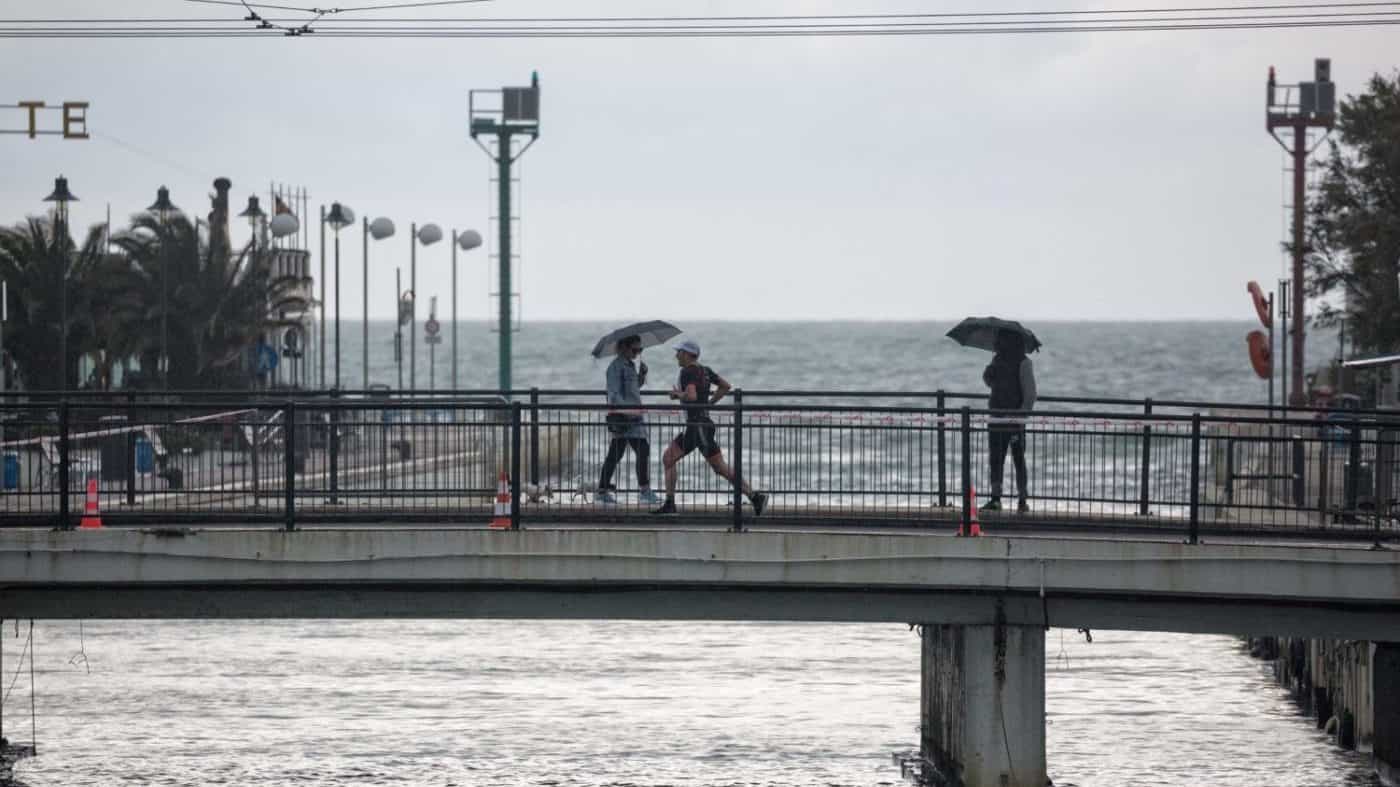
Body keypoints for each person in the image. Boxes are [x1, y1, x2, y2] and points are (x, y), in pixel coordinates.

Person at [652, 339, 768, 516]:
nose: (676, 356)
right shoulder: (705, 371)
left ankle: (670, 504)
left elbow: (691, 396)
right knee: (717, 467)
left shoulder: (687, 372)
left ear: (688, 354)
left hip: (696, 426)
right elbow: (725, 386)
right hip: (702, 425)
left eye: (679, 353)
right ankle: (755, 497)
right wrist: (710, 403)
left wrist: (677, 395)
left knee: (670, 459)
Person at [598, 335, 658, 505]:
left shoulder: (630, 365)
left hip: (633, 417)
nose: (638, 353)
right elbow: (614, 394)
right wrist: (628, 411)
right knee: (633, 451)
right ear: (623, 347)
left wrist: (641, 375)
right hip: (625, 419)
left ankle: (603, 490)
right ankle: (643, 491)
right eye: (635, 349)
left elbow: (632, 388)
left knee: (618, 453)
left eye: (640, 350)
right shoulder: (615, 368)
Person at [982, 329, 1037, 512]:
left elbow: (1030, 394)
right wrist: (989, 372)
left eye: (1000, 339)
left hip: (1013, 420)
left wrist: (1020, 416)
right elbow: (990, 382)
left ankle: (1021, 498)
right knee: (996, 459)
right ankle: (997, 498)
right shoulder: (998, 360)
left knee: (1017, 459)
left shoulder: (1023, 363)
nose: (997, 343)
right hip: (997, 418)